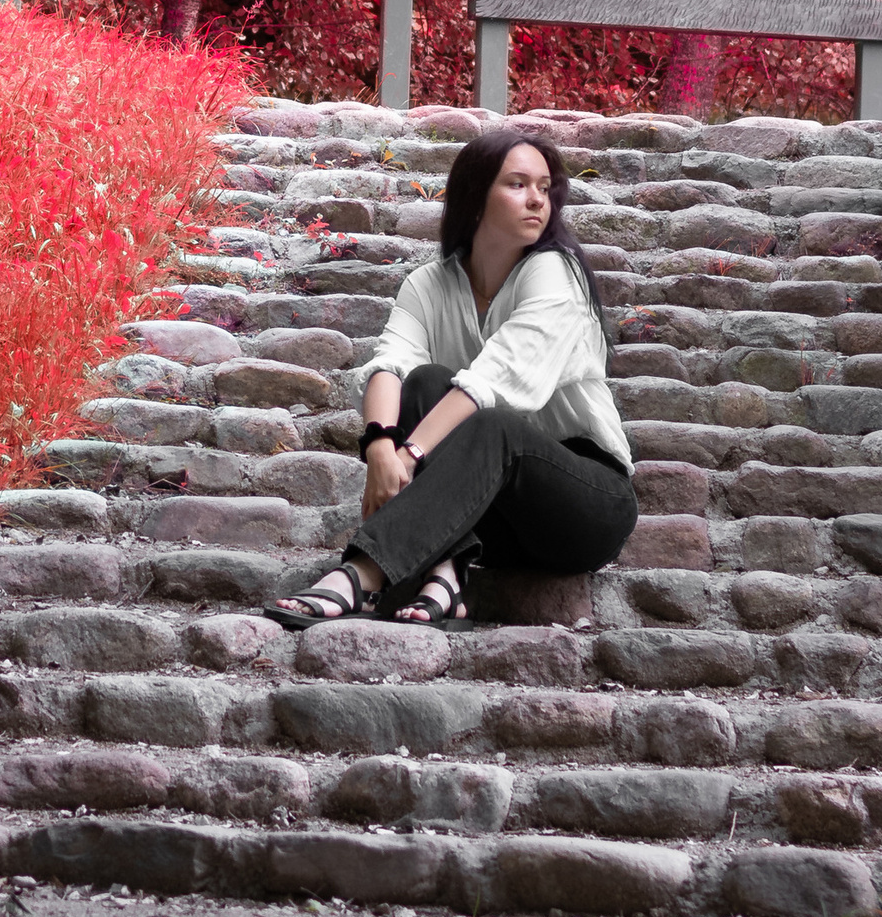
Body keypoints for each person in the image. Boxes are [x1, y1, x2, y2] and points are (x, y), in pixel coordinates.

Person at [265, 126, 636, 628]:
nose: (536, 201)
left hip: (581, 506)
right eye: (517, 184)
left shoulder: (555, 272)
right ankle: (445, 576)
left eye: (544, 188)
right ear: (475, 198)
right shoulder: (430, 283)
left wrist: (410, 452)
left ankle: (362, 575)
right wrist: (379, 444)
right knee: (423, 381)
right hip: (488, 515)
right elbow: (389, 364)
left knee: (490, 422)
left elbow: (496, 378)